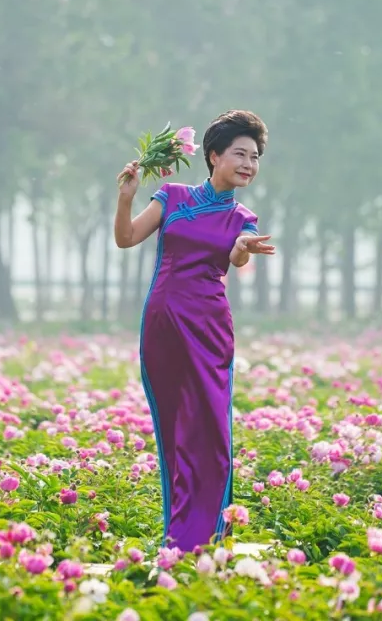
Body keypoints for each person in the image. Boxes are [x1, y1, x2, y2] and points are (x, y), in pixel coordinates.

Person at [113, 109, 275, 552]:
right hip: (163, 323)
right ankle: (177, 534)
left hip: (209, 329)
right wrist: (126, 197)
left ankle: (203, 537)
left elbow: (241, 255)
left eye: (255, 156)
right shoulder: (173, 195)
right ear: (213, 155)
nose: (249, 163)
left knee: (212, 433)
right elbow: (126, 238)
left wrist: (241, 249)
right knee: (175, 430)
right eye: (240, 153)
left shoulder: (243, 216)